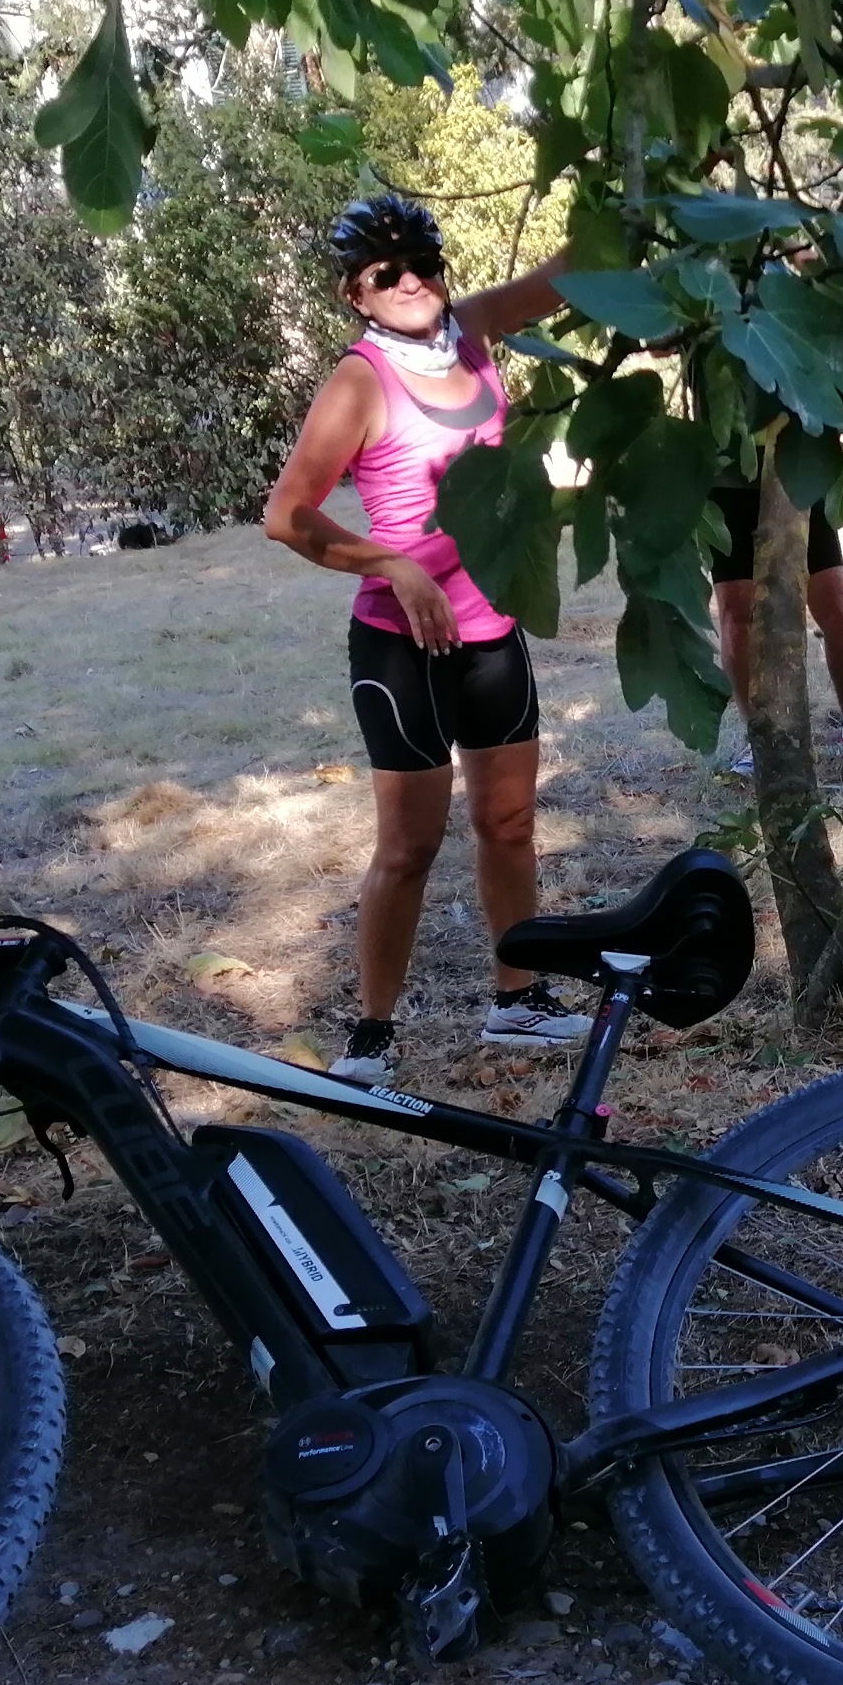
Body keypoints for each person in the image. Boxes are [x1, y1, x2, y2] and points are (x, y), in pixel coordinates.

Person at [263, 196, 586, 1080]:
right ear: (356, 294)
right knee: (409, 848)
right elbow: (287, 515)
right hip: (400, 645)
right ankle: (372, 1033)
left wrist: (635, 188)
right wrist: (390, 564)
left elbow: (566, 275)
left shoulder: (472, 332)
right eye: (386, 273)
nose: (410, 282)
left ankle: (519, 1000)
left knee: (508, 823)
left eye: (423, 264)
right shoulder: (359, 381)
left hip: (492, 628)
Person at [707, 482, 843, 777]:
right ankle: (759, 743)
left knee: (836, 610)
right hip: (727, 485)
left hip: (797, 478)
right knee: (738, 621)